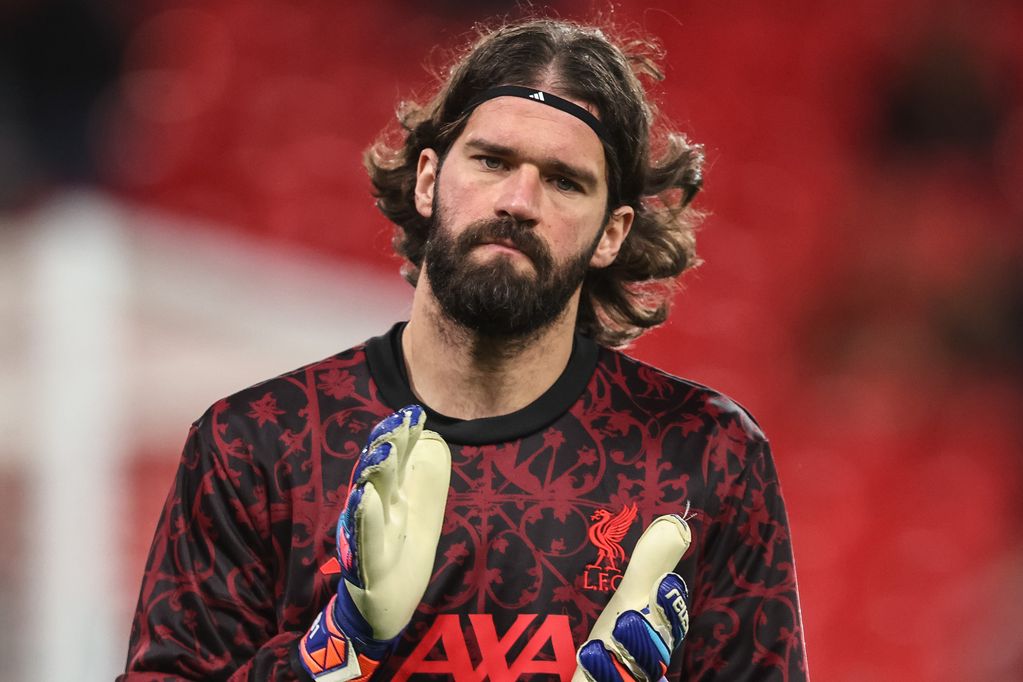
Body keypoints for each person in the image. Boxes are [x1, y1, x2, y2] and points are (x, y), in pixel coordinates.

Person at [121, 17, 808, 681]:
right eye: (491, 160)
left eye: (565, 181)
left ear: (611, 233)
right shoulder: (257, 446)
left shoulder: (706, 458)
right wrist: (333, 652)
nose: (517, 200)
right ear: (427, 180)